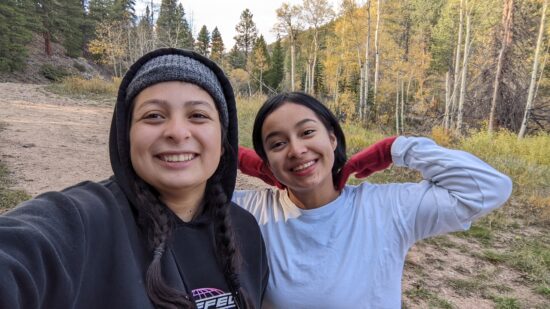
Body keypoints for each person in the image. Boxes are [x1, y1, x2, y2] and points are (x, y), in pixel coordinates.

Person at [0, 48, 268, 309]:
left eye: (198, 115)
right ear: (125, 136)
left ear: (222, 141)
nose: (177, 132)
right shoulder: (81, 221)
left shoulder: (245, 229)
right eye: (153, 116)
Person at [234, 92, 512, 308]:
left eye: (307, 132)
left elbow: (488, 188)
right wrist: (233, 158)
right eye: (278, 144)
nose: (296, 149)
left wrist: (395, 149)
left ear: (332, 139)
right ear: (266, 161)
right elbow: (191, 196)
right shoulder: (251, 212)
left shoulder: (385, 208)